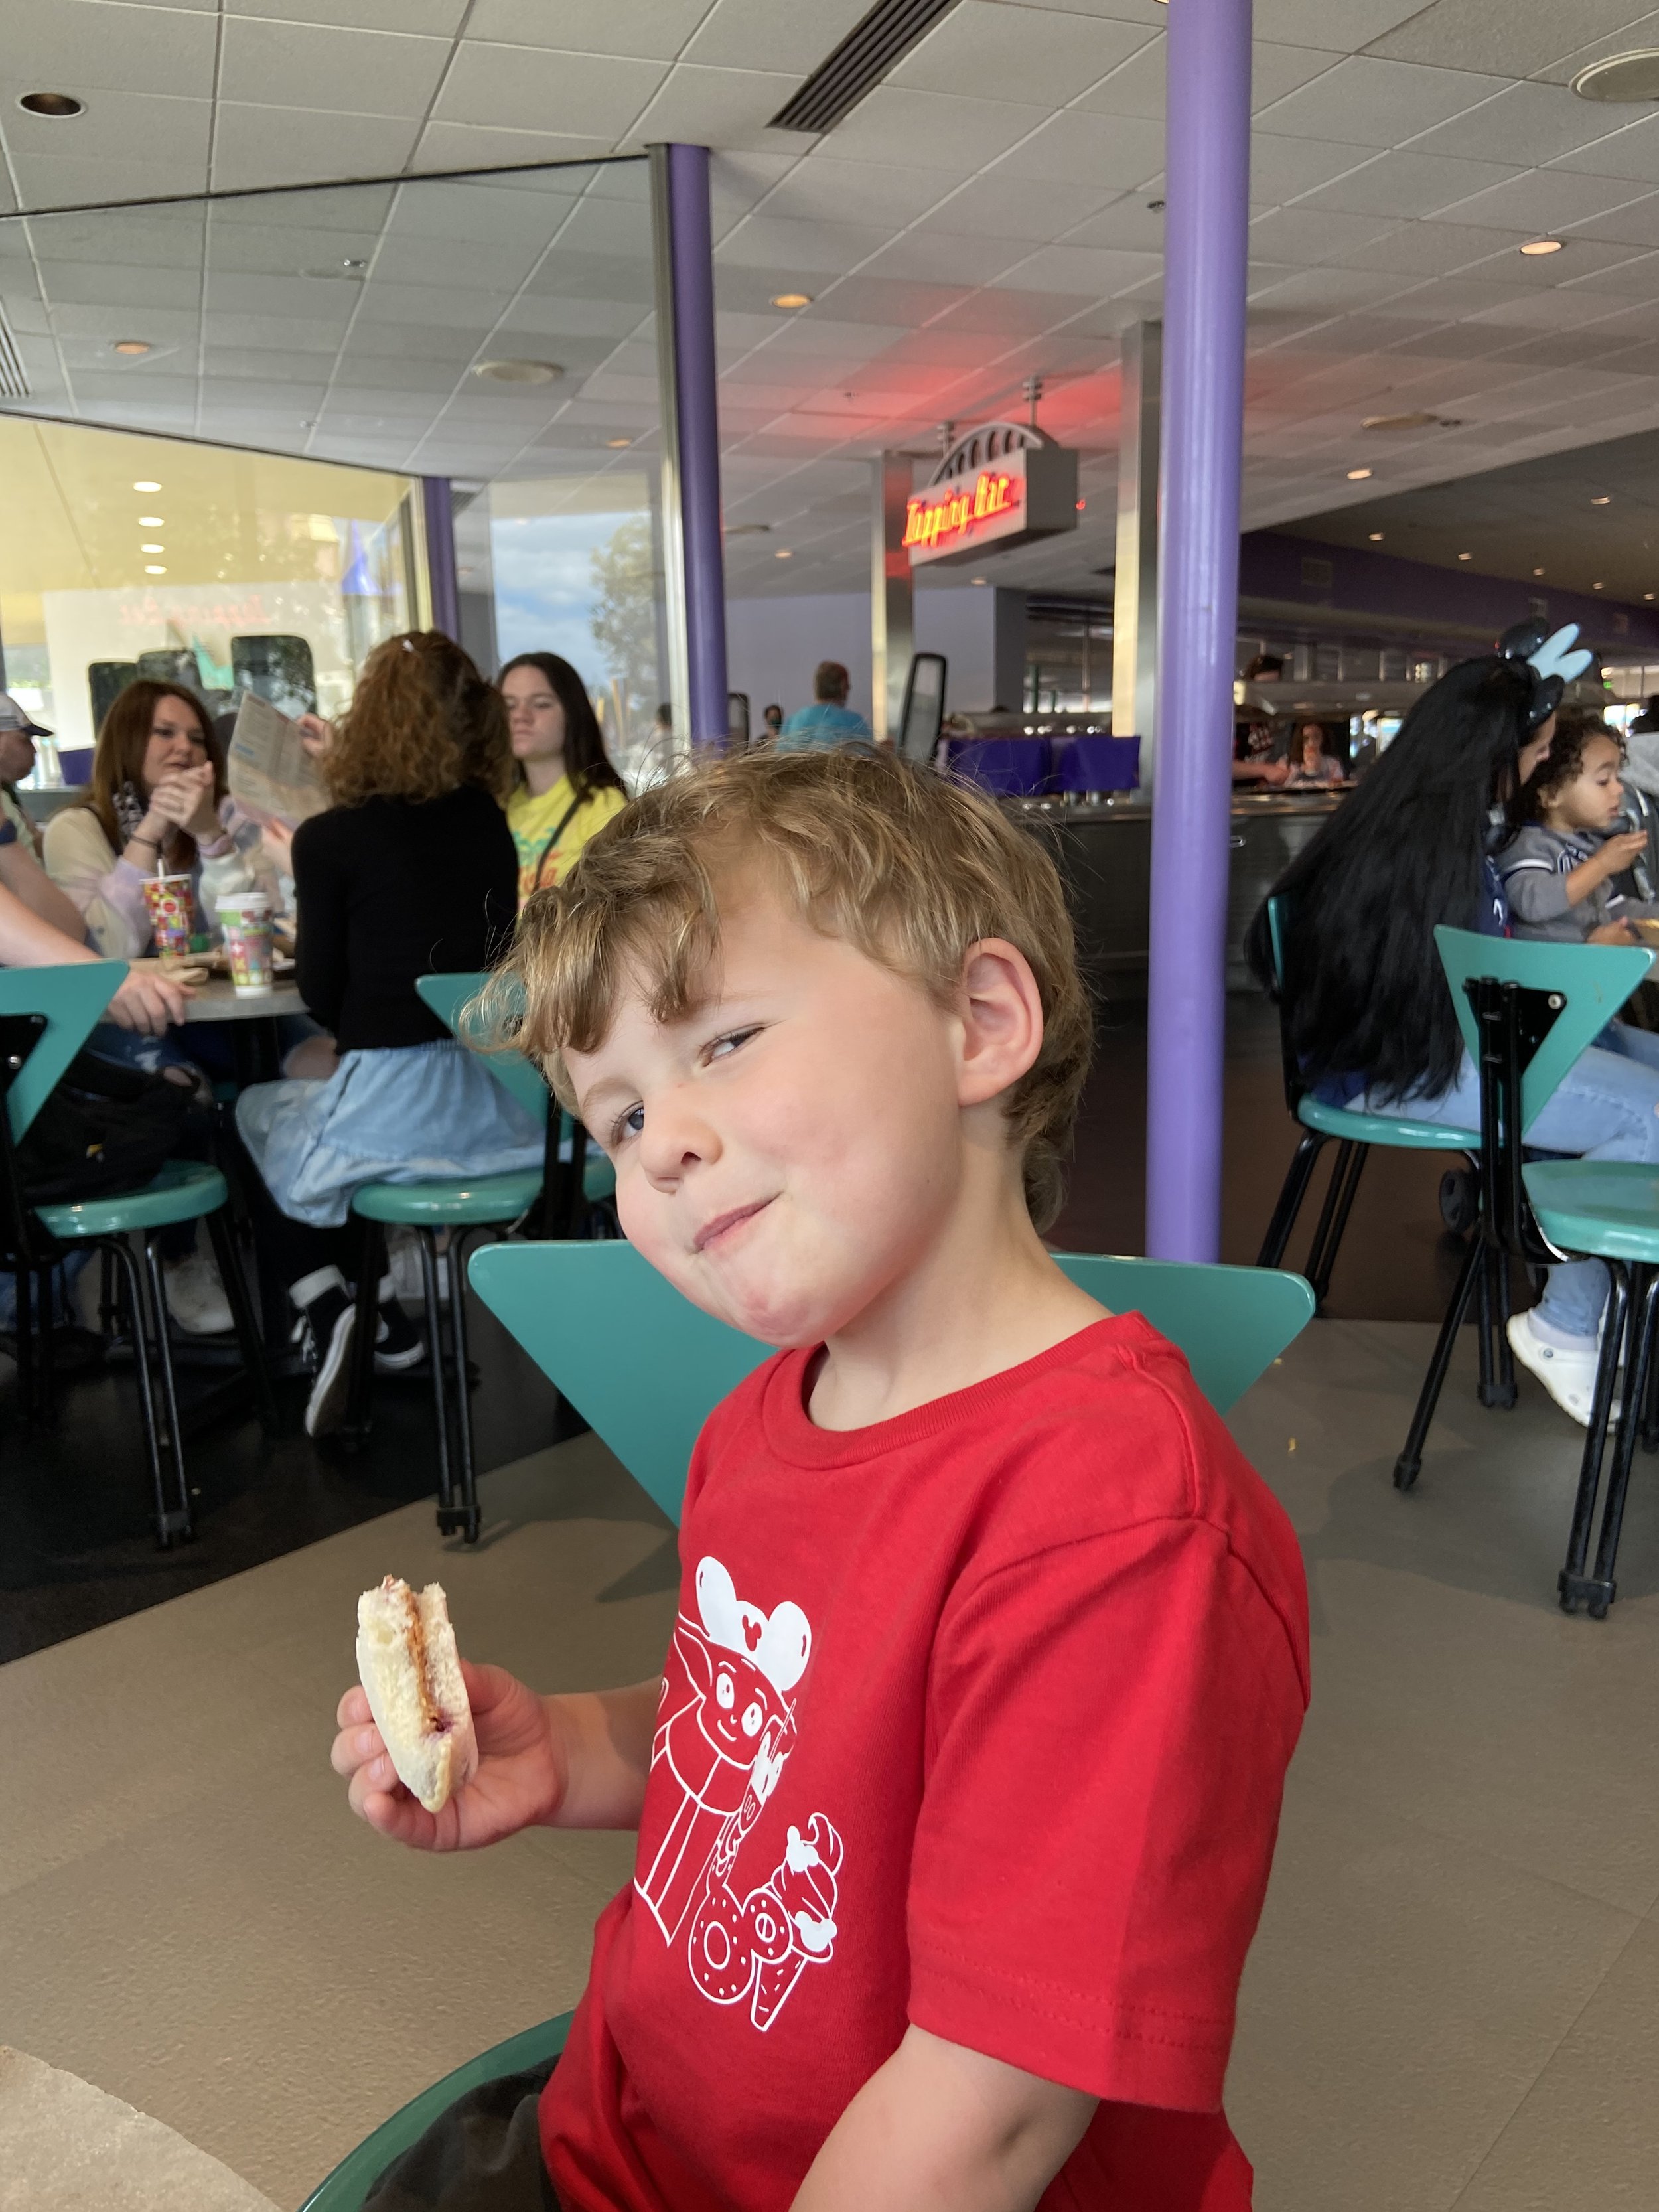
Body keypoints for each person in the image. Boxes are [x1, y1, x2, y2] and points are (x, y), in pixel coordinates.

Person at [333, 747, 1309, 2212]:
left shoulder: (1115, 1521)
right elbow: (789, 1740)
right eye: (611, 1118)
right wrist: (577, 1751)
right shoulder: (762, 1415)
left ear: (978, 1023)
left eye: (719, 1039)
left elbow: (987, 2106)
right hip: (623, 2134)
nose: (657, 1143)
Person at [1250, 651, 1659, 1424]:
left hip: (1415, 1044)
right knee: (1646, 1112)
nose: (1541, 771)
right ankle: (1567, 1322)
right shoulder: (1428, 852)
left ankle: (1599, 1288)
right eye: (1536, 754)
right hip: (1402, 1062)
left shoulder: (1417, 831)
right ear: (1489, 755)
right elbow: (1451, 995)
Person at [236, 632, 543, 1439]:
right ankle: (392, 1333)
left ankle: (330, 1301)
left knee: (248, 1113)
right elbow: (494, 960)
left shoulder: (327, 840)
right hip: (499, 1109)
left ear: (361, 724)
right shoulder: (486, 821)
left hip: (391, 1113)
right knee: (315, 1094)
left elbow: (322, 994)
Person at [42, 680, 275, 962]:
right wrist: (150, 830)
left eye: (197, 739)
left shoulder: (234, 817)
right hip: (128, 1003)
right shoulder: (76, 829)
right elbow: (105, 952)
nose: (185, 747)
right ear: (127, 742)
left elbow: (258, 937)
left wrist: (210, 836)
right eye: (165, 733)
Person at [1497, 714, 1657, 946]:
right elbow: (1532, 903)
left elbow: (1612, 906)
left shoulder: (1585, 843)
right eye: (1603, 781)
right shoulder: (1529, 844)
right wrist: (1601, 865)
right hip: (1548, 971)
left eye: (1617, 778)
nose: (1619, 789)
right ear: (1551, 795)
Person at [500, 653, 627, 907]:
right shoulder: (498, 805)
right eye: (509, 705)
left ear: (572, 714)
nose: (520, 716)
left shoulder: (604, 806)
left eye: (541, 704)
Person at [777, 660, 874, 751]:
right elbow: (868, 763)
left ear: (816, 686)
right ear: (844, 686)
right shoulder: (854, 722)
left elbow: (779, 763)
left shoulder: (793, 721)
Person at [1285, 723, 1344, 787]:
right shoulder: (1287, 762)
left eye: (1316, 737)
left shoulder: (1333, 764)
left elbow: (1337, 788)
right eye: (1306, 738)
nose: (1311, 743)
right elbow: (1284, 787)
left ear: (1323, 739)